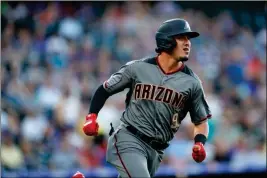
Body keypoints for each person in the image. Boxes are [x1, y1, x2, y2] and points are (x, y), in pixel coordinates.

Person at [73, 18, 212, 178]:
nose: (187, 43)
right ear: (166, 40)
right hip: (129, 138)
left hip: (156, 151)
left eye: (188, 39)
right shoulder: (138, 68)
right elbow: (104, 90)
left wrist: (200, 142)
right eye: (181, 38)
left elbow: (201, 122)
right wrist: (91, 117)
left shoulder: (192, 82)